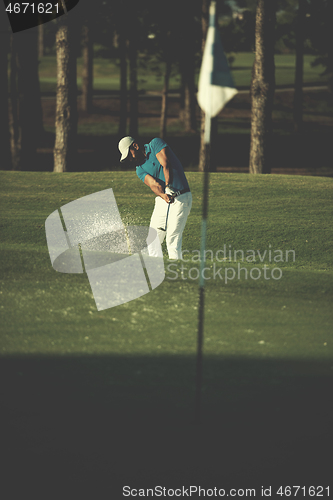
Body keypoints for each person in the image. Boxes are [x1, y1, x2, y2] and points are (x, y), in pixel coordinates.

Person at [118, 136, 192, 260]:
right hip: (163, 200)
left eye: (129, 155)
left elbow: (165, 164)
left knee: (172, 240)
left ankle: (177, 272)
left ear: (135, 146)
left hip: (181, 197)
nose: (129, 159)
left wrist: (169, 186)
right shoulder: (139, 170)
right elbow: (154, 184)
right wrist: (163, 194)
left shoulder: (155, 144)